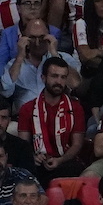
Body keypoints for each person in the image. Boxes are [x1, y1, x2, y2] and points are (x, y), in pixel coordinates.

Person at [16, 57, 84, 186]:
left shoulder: (75, 107)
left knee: (73, 170)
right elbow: (23, 144)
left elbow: (77, 144)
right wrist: (33, 156)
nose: (59, 82)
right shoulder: (27, 108)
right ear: (43, 78)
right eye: (54, 76)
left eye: (63, 77)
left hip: (66, 161)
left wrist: (60, 160)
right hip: (38, 161)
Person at [1, 18, 81, 111]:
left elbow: (74, 83)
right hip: (26, 118)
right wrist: (19, 57)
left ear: (50, 37)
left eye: (42, 38)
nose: (37, 43)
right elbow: (6, 91)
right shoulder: (15, 64)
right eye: (32, 38)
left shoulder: (64, 58)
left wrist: (55, 55)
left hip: (59, 115)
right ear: (24, 38)